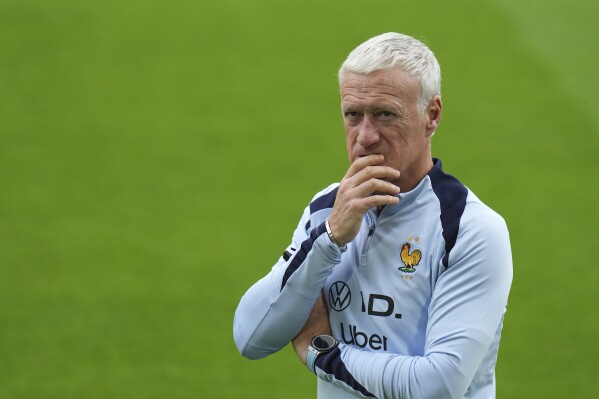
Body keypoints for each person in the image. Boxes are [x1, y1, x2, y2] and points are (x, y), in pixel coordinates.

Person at [233, 32, 513, 399]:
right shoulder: (327, 211)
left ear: (432, 116)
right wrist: (329, 239)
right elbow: (251, 336)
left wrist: (322, 354)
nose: (365, 137)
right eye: (353, 115)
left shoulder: (470, 229)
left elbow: (438, 385)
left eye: (384, 114)